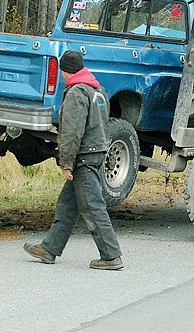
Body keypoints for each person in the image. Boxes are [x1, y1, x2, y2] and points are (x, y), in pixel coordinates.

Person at [23, 50, 123, 270]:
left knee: (92, 206)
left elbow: (72, 131)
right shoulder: (98, 90)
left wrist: (66, 161)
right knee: (68, 205)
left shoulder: (77, 92)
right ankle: (49, 249)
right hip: (97, 151)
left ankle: (111, 256)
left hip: (84, 157)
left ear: (63, 71)